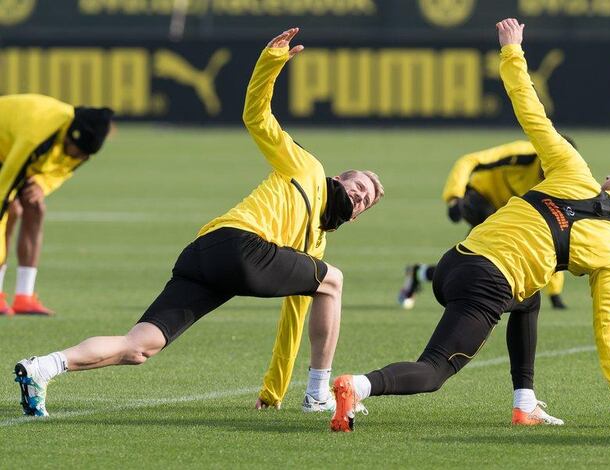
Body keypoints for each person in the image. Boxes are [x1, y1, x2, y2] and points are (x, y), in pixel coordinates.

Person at [14, 28, 384, 418]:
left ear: (357, 215)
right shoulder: (306, 165)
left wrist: (274, 391)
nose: (360, 195)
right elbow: (256, 116)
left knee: (139, 347)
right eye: (359, 185)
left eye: (367, 200)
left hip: (205, 255)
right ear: (339, 178)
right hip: (239, 244)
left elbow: (292, 322)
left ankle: (42, 368)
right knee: (335, 280)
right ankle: (318, 395)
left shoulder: (314, 248)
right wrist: (270, 64)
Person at [330, 18, 610, 432]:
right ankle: (359, 386)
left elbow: (531, 111)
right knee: (434, 371)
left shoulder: (575, 170)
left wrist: (512, 50)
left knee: (530, 297)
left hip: (456, 261)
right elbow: (608, 329)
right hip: (487, 284)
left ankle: (524, 404)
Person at [398, 138, 577, 310]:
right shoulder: (524, 153)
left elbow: (553, 234)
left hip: (507, 213)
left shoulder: (560, 183)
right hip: (479, 195)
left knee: (473, 266)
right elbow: (469, 160)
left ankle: (418, 273)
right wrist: (454, 197)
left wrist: (554, 293)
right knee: (481, 243)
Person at [0, 95, 113, 316]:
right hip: (8, 149)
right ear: (70, 137)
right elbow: (3, 191)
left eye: (83, 156)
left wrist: (42, 184)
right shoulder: (36, 135)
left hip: (19, 151)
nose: (77, 158)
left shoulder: (80, 141)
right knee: (11, 209)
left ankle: (24, 295)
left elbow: (63, 169)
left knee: (35, 207)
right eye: (76, 152)